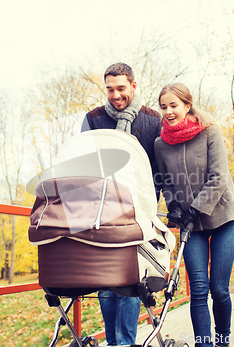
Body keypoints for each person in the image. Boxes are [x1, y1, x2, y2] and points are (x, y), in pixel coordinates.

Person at [154, 82, 234, 347]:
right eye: (164, 107)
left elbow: (219, 178)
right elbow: (166, 182)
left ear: (187, 104)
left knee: (219, 289)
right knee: (198, 289)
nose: (169, 111)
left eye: (174, 105)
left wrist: (195, 208)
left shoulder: (210, 133)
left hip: (223, 219)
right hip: (189, 225)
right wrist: (173, 207)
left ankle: (223, 340)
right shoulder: (161, 143)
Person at [81, 62, 162, 346]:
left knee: (132, 278)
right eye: (110, 89)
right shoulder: (93, 119)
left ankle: (126, 342)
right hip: (102, 210)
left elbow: (160, 167)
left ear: (133, 86)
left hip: (140, 210)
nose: (115, 95)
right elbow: (84, 163)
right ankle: (113, 342)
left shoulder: (153, 120)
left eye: (121, 89)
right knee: (106, 280)